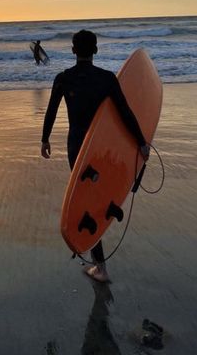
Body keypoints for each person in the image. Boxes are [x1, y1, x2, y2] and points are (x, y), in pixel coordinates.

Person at [40, 30, 150, 282]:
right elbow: (125, 113)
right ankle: (109, 214)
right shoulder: (107, 79)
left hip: (76, 147)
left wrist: (45, 139)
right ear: (96, 51)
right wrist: (141, 142)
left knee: (86, 198)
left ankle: (100, 266)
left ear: (73, 51)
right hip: (101, 148)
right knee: (101, 192)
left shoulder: (63, 79)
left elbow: (51, 112)